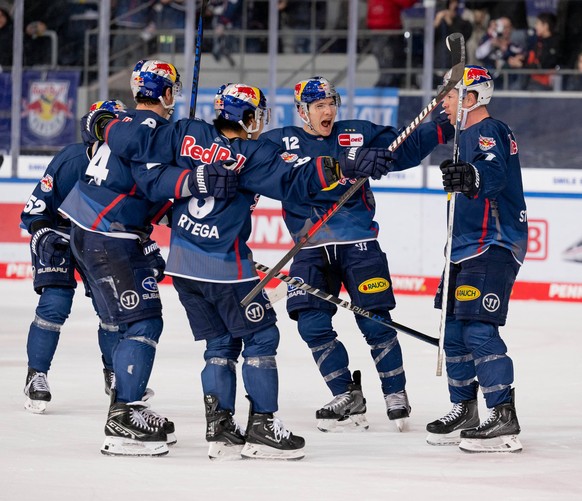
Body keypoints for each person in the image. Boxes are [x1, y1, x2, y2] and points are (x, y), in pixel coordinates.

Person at [81, 81, 393, 460]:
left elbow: (144, 162)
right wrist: (346, 165)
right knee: (261, 337)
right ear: (246, 117)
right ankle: (262, 427)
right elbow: (297, 177)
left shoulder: (184, 132)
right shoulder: (251, 153)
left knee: (220, 344)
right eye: (258, 115)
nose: (261, 123)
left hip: (184, 265)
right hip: (225, 267)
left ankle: (221, 429)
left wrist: (104, 124)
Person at [259, 76, 456, 433]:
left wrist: (438, 129)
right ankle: (346, 394)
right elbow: (260, 172)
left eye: (331, 103)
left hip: (358, 242)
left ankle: (396, 393)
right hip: (309, 247)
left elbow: (402, 147)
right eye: (319, 106)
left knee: (374, 319)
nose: (328, 110)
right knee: (311, 323)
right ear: (302, 110)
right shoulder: (278, 142)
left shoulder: (358, 132)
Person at [59, 60, 189, 457]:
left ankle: (126, 401)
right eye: (173, 90)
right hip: (108, 237)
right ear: (166, 93)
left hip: (91, 230)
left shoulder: (124, 123)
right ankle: (124, 416)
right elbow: (152, 179)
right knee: (143, 320)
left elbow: (140, 188)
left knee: (124, 321)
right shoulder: (153, 133)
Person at [425, 65, 527, 453]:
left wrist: (469, 175)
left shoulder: (489, 130)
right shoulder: (463, 135)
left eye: (449, 96)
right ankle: (463, 408)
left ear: (470, 98)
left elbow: (494, 173)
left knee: (478, 330)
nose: (443, 103)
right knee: (453, 332)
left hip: (492, 243)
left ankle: (502, 413)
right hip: (464, 247)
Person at [20, 99, 128, 415]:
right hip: (60, 234)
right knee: (55, 302)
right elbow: (36, 209)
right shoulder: (70, 161)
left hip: (97, 237)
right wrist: (43, 232)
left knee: (111, 310)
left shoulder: (127, 162)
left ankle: (114, 373)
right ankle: (36, 375)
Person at [366, 0, 416, 88]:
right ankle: (388, 82)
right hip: (388, 30)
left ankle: (387, 81)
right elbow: (407, 3)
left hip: (376, 29)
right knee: (390, 60)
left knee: (384, 60)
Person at [521, 12, 560, 91]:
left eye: (537, 24)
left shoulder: (556, 43)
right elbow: (531, 58)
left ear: (545, 26)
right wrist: (521, 60)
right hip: (531, 79)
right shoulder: (537, 41)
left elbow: (544, 65)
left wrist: (522, 65)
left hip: (544, 83)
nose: (535, 27)